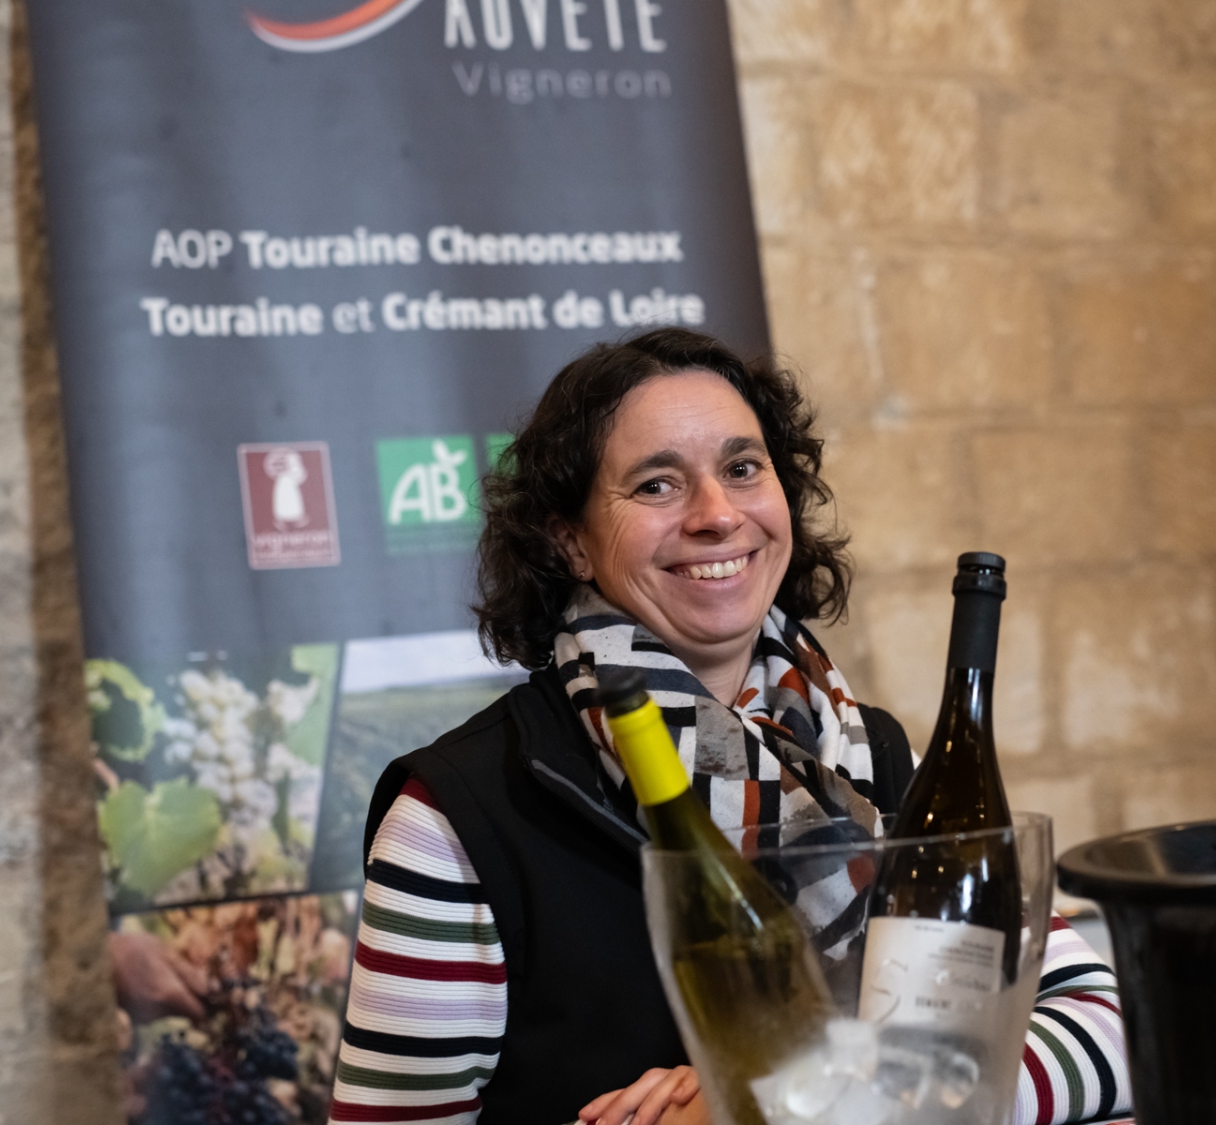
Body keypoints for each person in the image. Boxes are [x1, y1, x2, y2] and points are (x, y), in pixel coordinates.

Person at [327, 330, 1130, 1125]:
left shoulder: (876, 754)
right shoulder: (461, 815)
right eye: (656, 485)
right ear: (569, 540)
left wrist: (782, 1103)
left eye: (743, 469)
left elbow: (1107, 1027)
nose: (717, 514)